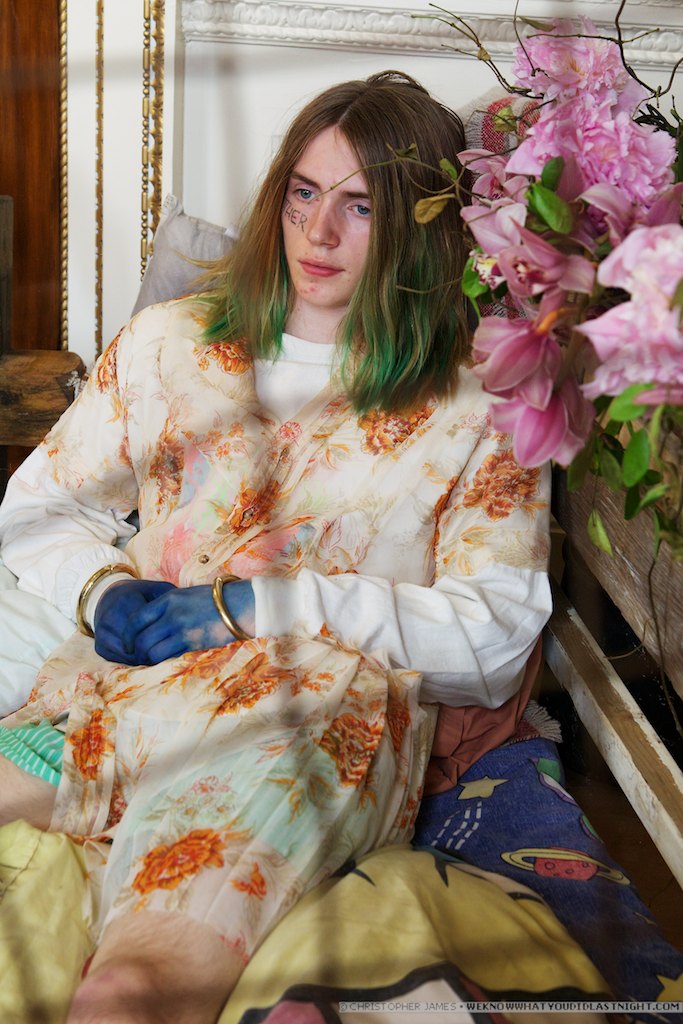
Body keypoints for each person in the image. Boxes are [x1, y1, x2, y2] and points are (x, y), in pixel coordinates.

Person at [0, 71, 551, 1024]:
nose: (317, 232)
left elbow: (496, 634)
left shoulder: (482, 401)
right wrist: (100, 592)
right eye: (302, 192)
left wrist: (265, 606)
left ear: (420, 227)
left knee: (130, 992)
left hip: (312, 712)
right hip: (118, 696)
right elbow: (40, 509)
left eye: (359, 206)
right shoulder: (170, 344)